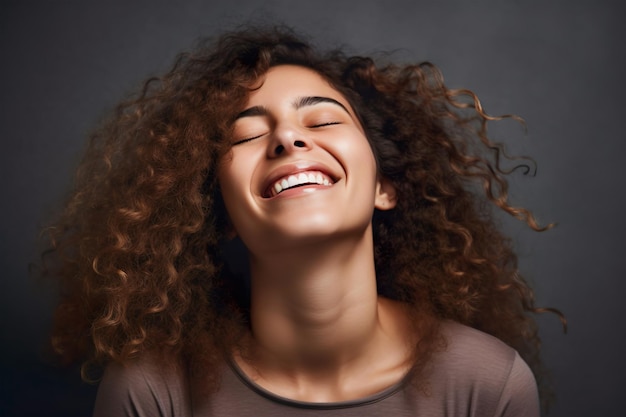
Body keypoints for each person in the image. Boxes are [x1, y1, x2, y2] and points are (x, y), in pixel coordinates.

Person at [46, 25, 562, 416]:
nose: (287, 139)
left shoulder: (488, 384)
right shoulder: (152, 389)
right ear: (219, 213)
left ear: (385, 186)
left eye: (323, 120)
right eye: (247, 135)